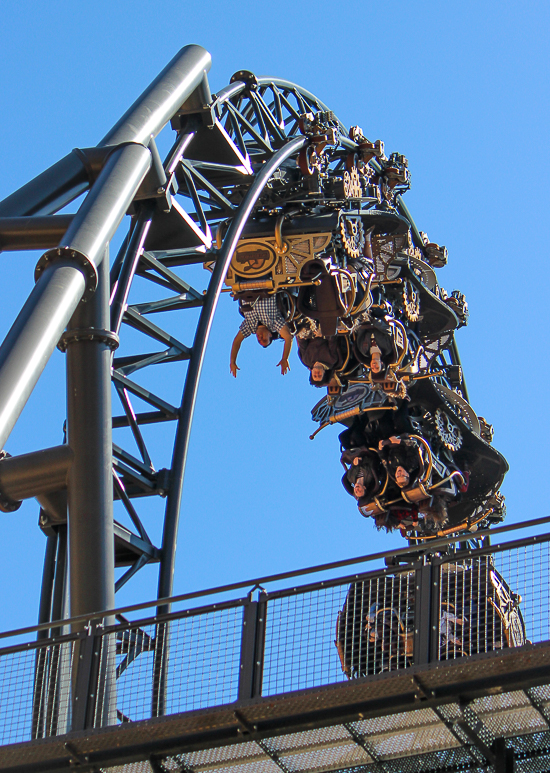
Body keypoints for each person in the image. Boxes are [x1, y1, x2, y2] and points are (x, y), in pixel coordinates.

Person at [229, 294, 293, 377]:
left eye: (259, 341)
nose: (260, 338)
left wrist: (232, 361)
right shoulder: (274, 324)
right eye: (264, 340)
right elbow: (288, 337)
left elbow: (237, 341)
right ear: (270, 334)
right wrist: (285, 358)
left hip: (246, 287)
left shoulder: (250, 326)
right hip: (266, 286)